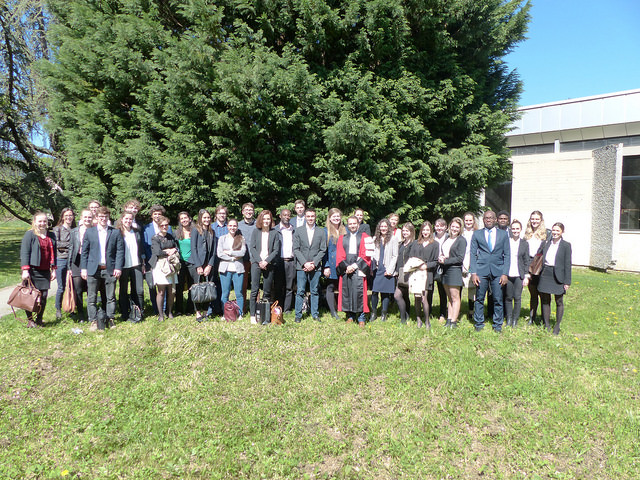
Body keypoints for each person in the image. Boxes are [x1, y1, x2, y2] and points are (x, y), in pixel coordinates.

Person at [81, 206, 124, 330]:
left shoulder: (115, 232)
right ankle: (93, 320)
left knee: (110, 296)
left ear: (108, 217)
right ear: (97, 218)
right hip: (93, 269)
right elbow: (84, 252)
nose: (103, 219)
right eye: (101, 217)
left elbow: (120, 251)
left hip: (110, 269)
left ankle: (110, 319)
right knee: (91, 297)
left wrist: (118, 267)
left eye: (105, 217)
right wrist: (84, 268)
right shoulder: (90, 232)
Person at [469, 210, 510, 332]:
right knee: (479, 299)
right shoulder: (477, 234)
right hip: (481, 271)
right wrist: (474, 272)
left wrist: (505, 273)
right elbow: (472, 254)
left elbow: (507, 254)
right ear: (483, 220)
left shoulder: (503, 235)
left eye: (491, 218)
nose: (488, 220)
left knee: (498, 299)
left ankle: (497, 324)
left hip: (498, 271)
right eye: (486, 218)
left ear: (495, 220)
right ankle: (479, 323)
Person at [20, 212, 57, 328]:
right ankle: (30, 320)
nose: (42, 223)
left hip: (45, 270)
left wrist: (54, 269)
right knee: (30, 296)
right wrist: (25, 270)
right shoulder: (29, 235)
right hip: (32, 270)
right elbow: (25, 253)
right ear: (35, 222)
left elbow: (54, 253)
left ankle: (39, 319)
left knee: (44, 296)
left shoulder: (51, 235)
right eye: (40, 221)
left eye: (44, 221)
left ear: (47, 222)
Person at [336, 215, 371, 327]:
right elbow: (340, 255)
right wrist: (346, 267)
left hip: (358, 267)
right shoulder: (342, 238)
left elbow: (366, 255)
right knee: (347, 291)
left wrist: (354, 266)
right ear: (347, 225)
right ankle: (350, 316)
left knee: (359, 292)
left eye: (354, 223)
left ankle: (361, 317)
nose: (352, 225)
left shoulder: (364, 237)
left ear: (358, 224)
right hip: (346, 268)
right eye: (350, 224)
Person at [293, 208, 327, 323]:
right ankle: (298, 315)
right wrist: (305, 263)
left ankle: (315, 314)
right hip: (301, 266)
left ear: (315, 217)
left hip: (315, 266)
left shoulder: (321, 231)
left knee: (315, 291)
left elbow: (323, 250)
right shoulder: (298, 231)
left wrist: (314, 263)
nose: (310, 218)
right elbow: (296, 249)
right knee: (300, 291)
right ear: (305, 217)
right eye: (308, 216)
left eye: (312, 216)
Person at [538, 222, 572, 334]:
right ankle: (547, 325)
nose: (555, 232)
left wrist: (567, 282)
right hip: (546, 273)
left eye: (558, 230)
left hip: (558, 276)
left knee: (559, 301)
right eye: (554, 230)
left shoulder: (566, 245)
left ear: (562, 232)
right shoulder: (546, 243)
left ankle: (557, 326)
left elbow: (568, 264)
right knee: (545, 300)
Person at [249, 210, 281, 324]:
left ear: (271, 220)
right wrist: (260, 261)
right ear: (260, 220)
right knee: (254, 290)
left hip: (269, 264)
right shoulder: (255, 232)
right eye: (264, 219)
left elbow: (276, 250)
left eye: (268, 219)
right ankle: (253, 315)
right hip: (256, 263)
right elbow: (252, 248)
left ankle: (265, 314)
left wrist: (266, 261)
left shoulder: (275, 233)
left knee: (267, 290)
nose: (266, 221)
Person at [438, 217, 467, 328]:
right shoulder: (447, 238)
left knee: (455, 297)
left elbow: (460, 258)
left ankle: (454, 321)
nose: (454, 229)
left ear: (460, 229)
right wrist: (441, 258)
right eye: (453, 226)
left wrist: (446, 260)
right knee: (449, 297)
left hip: (454, 270)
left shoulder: (461, 240)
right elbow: (445, 252)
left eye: (457, 227)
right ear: (450, 227)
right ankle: (449, 319)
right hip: (445, 270)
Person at [409, 221, 439, 328]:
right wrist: (417, 265)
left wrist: (425, 265)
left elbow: (436, 261)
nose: (425, 232)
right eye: (423, 230)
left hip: (428, 274)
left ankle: (427, 321)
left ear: (431, 231)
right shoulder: (416, 243)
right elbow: (411, 257)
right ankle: (418, 320)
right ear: (421, 231)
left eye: (427, 230)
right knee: (417, 298)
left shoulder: (435, 244)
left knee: (424, 298)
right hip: (416, 273)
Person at [117, 211, 145, 322]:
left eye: (130, 219)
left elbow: (141, 248)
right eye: (126, 219)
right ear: (122, 219)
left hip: (136, 264)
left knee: (139, 290)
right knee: (123, 290)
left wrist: (143, 263)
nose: (128, 221)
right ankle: (124, 313)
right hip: (123, 265)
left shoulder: (136, 232)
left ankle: (139, 312)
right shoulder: (117, 232)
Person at [143, 205, 172, 314]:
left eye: (159, 214)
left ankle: (164, 309)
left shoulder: (167, 227)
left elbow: (172, 242)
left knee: (164, 285)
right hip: (151, 260)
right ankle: (156, 308)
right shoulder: (146, 228)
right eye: (155, 214)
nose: (157, 216)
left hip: (165, 261)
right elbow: (144, 245)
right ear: (152, 215)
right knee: (153, 286)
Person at [149, 215, 178, 321]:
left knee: (171, 291)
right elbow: (157, 252)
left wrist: (173, 250)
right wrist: (168, 251)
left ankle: (169, 312)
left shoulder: (171, 236)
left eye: (166, 225)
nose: (164, 227)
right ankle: (161, 315)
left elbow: (177, 247)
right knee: (161, 291)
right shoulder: (155, 238)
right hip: (160, 266)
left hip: (171, 265)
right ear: (159, 226)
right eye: (162, 225)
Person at [523, 210, 550, 324]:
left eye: (537, 219)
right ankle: (532, 318)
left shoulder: (547, 234)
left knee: (544, 295)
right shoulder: (527, 235)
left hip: (542, 268)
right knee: (533, 294)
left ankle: (545, 320)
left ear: (541, 220)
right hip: (530, 267)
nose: (534, 221)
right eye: (532, 219)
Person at [189, 208, 216, 322]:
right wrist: (198, 265)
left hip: (208, 263)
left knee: (208, 288)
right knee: (197, 289)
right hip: (196, 263)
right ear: (200, 218)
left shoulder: (211, 231)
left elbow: (214, 250)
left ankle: (205, 312)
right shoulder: (196, 230)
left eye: (208, 217)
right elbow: (193, 248)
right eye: (204, 217)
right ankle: (198, 313)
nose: (207, 219)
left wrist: (209, 265)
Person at [217, 218, 247, 318]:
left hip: (238, 269)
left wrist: (229, 253)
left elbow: (242, 252)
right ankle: (225, 314)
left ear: (237, 227)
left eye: (234, 226)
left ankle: (240, 314)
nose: (232, 228)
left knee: (239, 293)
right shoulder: (222, 238)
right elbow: (220, 253)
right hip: (225, 269)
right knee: (225, 293)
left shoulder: (241, 238)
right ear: (227, 227)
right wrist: (233, 258)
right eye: (230, 225)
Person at [370, 218, 399, 322]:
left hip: (387, 268)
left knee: (385, 293)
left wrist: (390, 270)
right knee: (374, 292)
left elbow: (395, 256)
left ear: (388, 228)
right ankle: (373, 313)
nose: (383, 228)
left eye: (385, 226)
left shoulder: (393, 239)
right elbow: (371, 252)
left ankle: (384, 313)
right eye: (381, 226)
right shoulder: (375, 239)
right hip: (377, 268)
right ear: (379, 227)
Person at [69, 209, 94, 322]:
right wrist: (69, 267)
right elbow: (71, 249)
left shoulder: (95, 230)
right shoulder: (74, 231)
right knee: (78, 290)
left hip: (91, 261)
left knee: (90, 289)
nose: (87, 219)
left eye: (89, 217)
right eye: (85, 217)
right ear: (81, 218)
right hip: (77, 262)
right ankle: (81, 315)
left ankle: (91, 314)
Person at [504, 220, 530, 328]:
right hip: (508, 274)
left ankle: (515, 320)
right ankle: (509, 319)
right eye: (513, 228)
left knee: (517, 297)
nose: (515, 231)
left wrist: (526, 275)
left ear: (520, 230)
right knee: (508, 297)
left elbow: (526, 260)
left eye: (517, 229)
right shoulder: (506, 242)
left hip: (519, 274)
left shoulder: (524, 243)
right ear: (510, 229)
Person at [53, 207, 75, 319]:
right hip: (61, 259)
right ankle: (58, 309)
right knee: (61, 286)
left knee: (72, 285)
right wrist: (70, 245)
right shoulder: (57, 229)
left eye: (70, 215)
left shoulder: (75, 229)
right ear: (62, 217)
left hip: (73, 260)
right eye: (66, 215)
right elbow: (57, 244)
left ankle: (71, 307)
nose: (68, 217)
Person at [324, 208, 346, 319]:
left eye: (338, 216)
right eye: (334, 216)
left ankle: (345, 308)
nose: (336, 218)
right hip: (331, 263)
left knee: (345, 286)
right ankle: (333, 312)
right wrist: (326, 265)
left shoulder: (345, 230)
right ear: (330, 218)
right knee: (331, 286)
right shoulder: (325, 231)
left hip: (343, 263)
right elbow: (324, 251)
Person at [274, 208, 296, 313]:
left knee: (289, 287)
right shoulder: (275, 230)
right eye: (284, 215)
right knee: (278, 286)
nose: (287, 217)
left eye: (288, 215)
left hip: (291, 261)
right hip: (279, 262)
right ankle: (278, 308)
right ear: (280, 216)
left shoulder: (294, 230)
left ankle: (287, 309)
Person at [393, 222, 415, 324]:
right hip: (400, 272)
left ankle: (405, 317)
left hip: (409, 272)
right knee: (401, 295)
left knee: (400, 295)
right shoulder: (401, 244)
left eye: (407, 230)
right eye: (403, 230)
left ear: (411, 232)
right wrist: (396, 271)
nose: (405, 232)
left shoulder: (414, 244)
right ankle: (404, 317)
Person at [237, 202, 256, 314]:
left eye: (250, 210)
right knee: (242, 285)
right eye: (246, 210)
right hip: (242, 259)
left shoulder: (257, 225)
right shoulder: (238, 225)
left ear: (253, 212)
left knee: (255, 285)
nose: (249, 212)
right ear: (243, 212)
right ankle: (242, 309)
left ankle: (256, 308)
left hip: (254, 259)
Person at [174, 212, 194, 314]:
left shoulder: (195, 231)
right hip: (180, 263)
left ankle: (190, 309)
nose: (184, 220)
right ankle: (178, 310)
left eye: (185, 218)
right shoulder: (176, 233)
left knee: (192, 286)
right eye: (181, 219)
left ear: (189, 219)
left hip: (192, 262)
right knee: (179, 287)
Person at [430, 218, 448, 322]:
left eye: (441, 226)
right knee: (429, 290)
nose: (439, 228)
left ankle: (442, 313)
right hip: (432, 265)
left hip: (444, 266)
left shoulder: (449, 237)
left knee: (443, 291)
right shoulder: (431, 237)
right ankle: (429, 312)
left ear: (445, 227)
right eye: (437, 226)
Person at [462, 212, 478, 319]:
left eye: (470, 220)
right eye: (466, 220)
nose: (468, 222)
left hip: (473, 260)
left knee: (472, 288)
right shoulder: (460, 232)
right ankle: (456, 309)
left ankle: (471, 311)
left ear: (473, 221)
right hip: (461, 261)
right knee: (458, 286)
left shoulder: (477, 233)